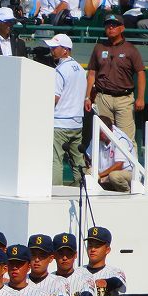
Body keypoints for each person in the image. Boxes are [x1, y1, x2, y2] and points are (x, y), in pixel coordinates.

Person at [85, 14, 146, 140]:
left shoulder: (130, 49)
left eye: (114, 25)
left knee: (126, 138)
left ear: (122, 28)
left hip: (124, 98)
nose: (111, 27)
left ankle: (129, 160)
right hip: (103, 97)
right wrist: (87, 97)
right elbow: (92, 73)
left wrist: (140, 98)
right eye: (108, 25)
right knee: (103, 136)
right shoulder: (99, 47)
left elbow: (141, 73)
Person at [46, 34, 87, 187]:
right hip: (77, 122)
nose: (52, 50)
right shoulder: (80, 69)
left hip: (60, 123)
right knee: (78, 160)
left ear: (65, 50)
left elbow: (54, 98)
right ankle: (81, 189)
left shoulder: (60, 70)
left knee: (55, 159)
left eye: (55, 47)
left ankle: (55, 192)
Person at [85, 115, 135, 192]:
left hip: (128, 174)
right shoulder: (97, 136)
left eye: (100, 133)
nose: (98, 135)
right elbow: (88, 157)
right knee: (89, 172)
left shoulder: (120, 139)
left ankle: (126, 193)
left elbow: (119, 165)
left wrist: (98, 175)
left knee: (114, 176)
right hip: (104, 174)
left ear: (110, 130)